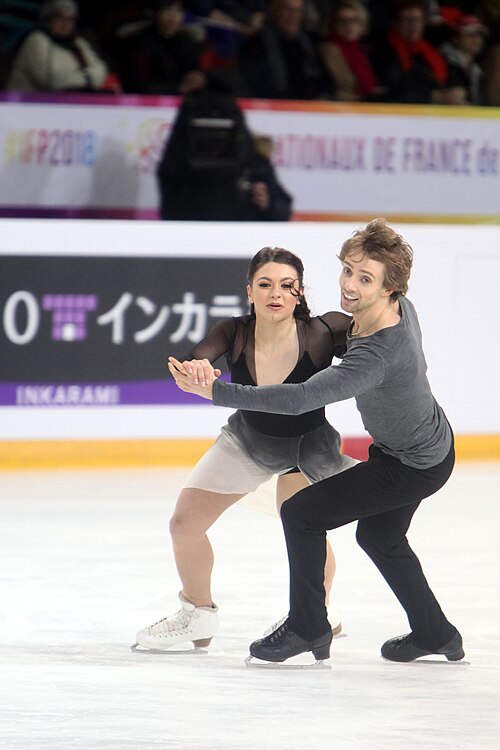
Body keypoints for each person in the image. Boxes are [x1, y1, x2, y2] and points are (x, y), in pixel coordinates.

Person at [170, 219, 465, 665]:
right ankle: (436, 633)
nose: (350, 285)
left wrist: (217, 392)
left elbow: (303, 397)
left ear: (389, 288)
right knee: (380, 538)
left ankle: (309, 627)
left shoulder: (374, 354)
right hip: (419, 447)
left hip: (413, 464)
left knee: (302, 514)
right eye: (348, 270)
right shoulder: (396, 307)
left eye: (365, 279)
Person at [134, 246, 358, 651]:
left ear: (300, 293)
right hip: (249, 441)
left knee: (304, 531)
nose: (276, 294)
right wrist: (197, 366)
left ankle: (318, 611)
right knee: (184, 524)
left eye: (287, 286)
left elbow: (380, 341)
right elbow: (197, 355)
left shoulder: (324, 331)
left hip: (308, 449)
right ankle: (197, 615)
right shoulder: (234, 331)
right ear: (249, 291)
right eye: (265, 284)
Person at [157, 90, 293, 221]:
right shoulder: (179, 159)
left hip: (240, 236)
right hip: (189, 233)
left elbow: (283, 210)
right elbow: (168, 206)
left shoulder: (252, 163)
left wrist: (268, 205)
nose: (213, 137)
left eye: (221, 133)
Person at [6, 0, 121, 93]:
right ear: (48, 19)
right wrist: (89, 79)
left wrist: (84, 79)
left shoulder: (77, 42)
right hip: (26, 109)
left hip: (65, 105)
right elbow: (55, 81)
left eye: (70, 19)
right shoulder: (36, 39)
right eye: (59, 17)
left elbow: (101, 69)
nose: (65, 23)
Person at [373, 0, 466, 104]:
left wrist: (456, 88)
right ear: (396, 23)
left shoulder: (428, 51)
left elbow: (450, 74)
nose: (413, 25)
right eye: (408, 20)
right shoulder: (384, 53)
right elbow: (393, 91)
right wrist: (433, 96)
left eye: (418, 20)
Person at [318, 0, 385, 101]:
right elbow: (339, 89)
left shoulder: (363, 50)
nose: (349, 25)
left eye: (354, 20)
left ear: (362, 24)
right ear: (334, 24)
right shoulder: (328, 49)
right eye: (342, 21)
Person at [440, 14, 487, 105]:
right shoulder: (443, 63)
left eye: (479, 34)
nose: (476, 39)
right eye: (470, 35)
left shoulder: (476, 70)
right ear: (455, 38)